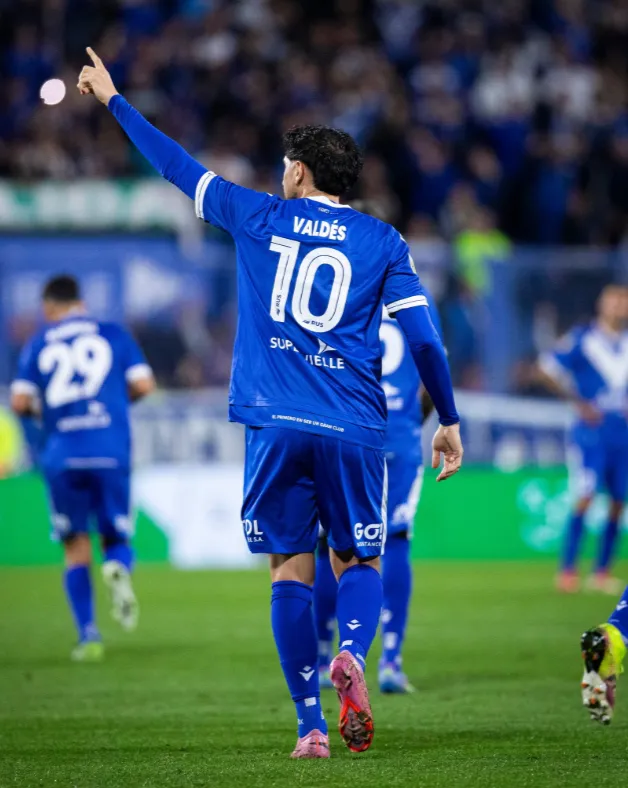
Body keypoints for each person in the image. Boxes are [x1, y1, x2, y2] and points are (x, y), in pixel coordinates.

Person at [76, 47, 463, 758]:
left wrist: (113, 100)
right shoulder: (384, 241)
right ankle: (354, 651)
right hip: (354, 424)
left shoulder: (258, 216)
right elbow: (426, 341)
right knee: (360, 565)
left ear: (299, 173)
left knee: (290, 568)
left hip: (274, 424)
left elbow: (175, 166)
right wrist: (450, 419)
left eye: (287, 164)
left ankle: (309, 726)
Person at [10, 275, 155, 661]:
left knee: (75, 547)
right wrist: (109, 405)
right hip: (110, 449)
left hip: (62, 453)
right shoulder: (112, 333)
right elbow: (144, 385)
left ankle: (88, 635)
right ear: (81, 300)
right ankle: (116, 567)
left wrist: (55, 413)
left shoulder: (39, 341)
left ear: (49, 306)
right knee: (117, 537)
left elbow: (20, 401)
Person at [314, 288, 442, 695]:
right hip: (399, 438)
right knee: (397, 537)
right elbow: (432, 372)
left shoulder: (335, 293)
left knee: (329, 543)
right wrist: (405, 421)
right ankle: (391, 659)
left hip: (345, 433)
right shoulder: (417, 301)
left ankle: (321, 657)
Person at [538, 285, 628, 594]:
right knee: (586, 495)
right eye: (614, 300)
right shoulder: (583, 338)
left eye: (623, 301)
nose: (619, 306)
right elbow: (547, 367)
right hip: (592, 432)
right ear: (601, 304)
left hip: (623, 432)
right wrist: (577, 402)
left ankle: (602, 571)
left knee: (619, 501)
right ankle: (568, 569)